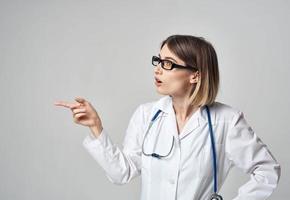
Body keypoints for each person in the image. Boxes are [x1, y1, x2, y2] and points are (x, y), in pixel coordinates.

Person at [54, 35, 281, 200]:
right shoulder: (146, 115)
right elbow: (122, 173)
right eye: (159, 60)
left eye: (168, 64)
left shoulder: (226, 121)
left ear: (195, 75)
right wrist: (96, 127)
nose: (158, 70)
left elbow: (267, 170)